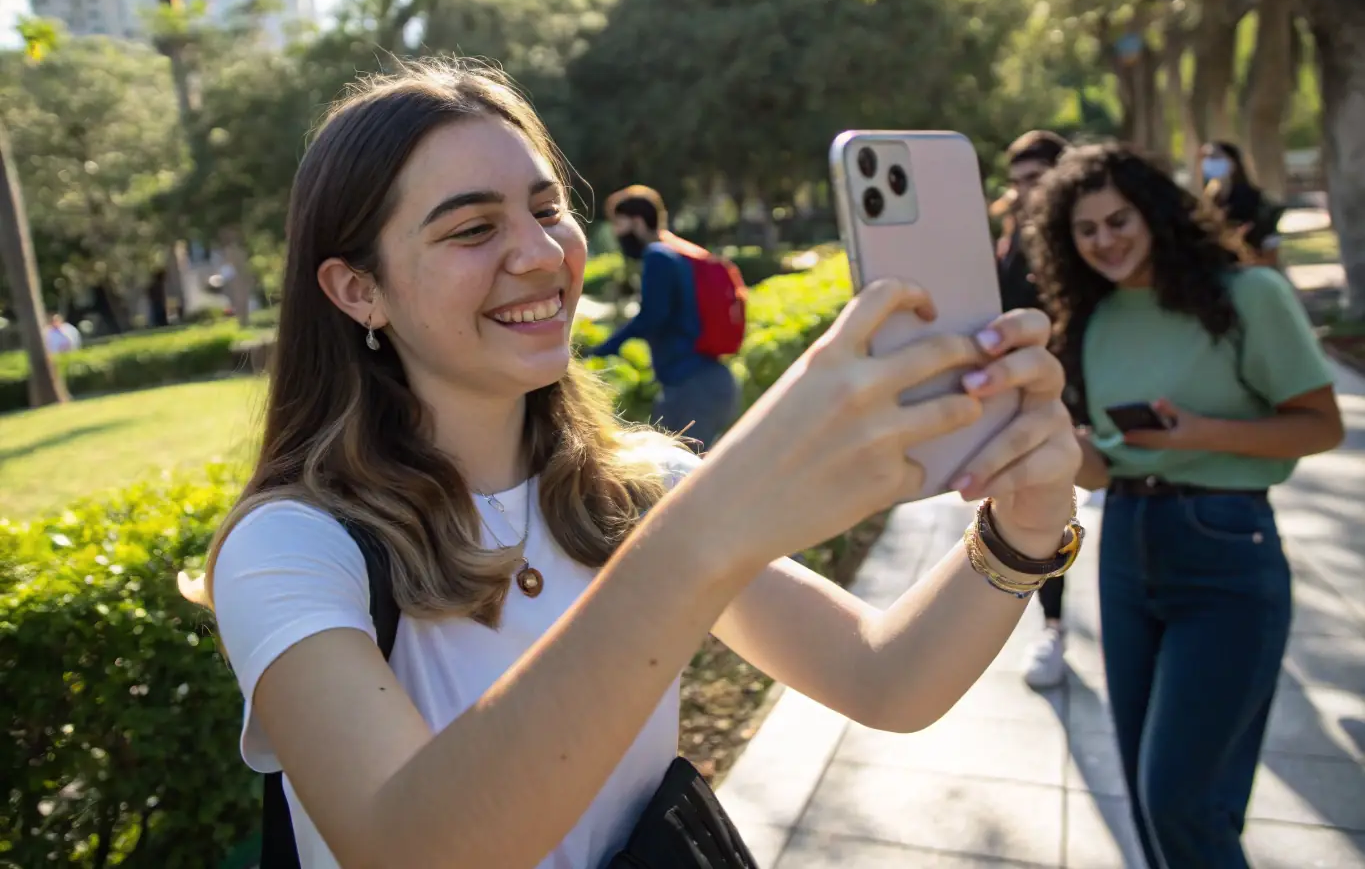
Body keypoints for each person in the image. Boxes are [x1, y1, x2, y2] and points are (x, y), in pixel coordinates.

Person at [189, 58, 1084, 869]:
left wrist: (1024, 526)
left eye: (546, 210)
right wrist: (706, 532)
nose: (540, 256)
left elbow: (885, 678)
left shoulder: (634, 485)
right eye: (470, 230)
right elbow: (411, 847)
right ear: (358, 290)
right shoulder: (291, 549)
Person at [1028, 141, 1344, 869]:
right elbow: (1105, 468)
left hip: (1225, 546)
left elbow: (1320, 425)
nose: (1104, 239)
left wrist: (1202, 432)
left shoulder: (1246, 296)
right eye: (1085, 229)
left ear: (1155, 212)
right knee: (1151, 799)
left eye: (1118, 219)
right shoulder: (1093, 319)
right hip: (1126, 544)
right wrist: (1045, 429)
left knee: (1179, 799)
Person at [996, 129, 1073, 690]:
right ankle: (1053, 624)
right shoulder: (1010, 238)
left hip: (1081, 391)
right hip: (1028, 393)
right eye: (1017, 181)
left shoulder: (1081, 235)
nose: (1025, 191)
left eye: (1037, 179)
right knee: (1045, 506)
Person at [589, 185, 740, 451]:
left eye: (618, 223)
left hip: (691, 387)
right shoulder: (676, 252)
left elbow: (652, 316)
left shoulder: (658, 256)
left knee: (680, 481)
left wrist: (603, 349)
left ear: (637, 222)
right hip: (706, 381)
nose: (616, 232)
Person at [1201, 141, 1284, 268]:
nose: (1207, 162)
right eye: (1204, 158)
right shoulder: (1206, 204)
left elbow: (1271, 254)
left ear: (1233, 162)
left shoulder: (1257, 201)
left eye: (1214, 157)